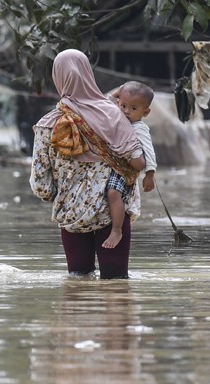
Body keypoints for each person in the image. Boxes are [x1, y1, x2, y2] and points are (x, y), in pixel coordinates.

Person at [30, 49, 145, 279]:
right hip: (113, 217)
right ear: (88, 73)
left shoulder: (47, 125)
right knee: (117, 287)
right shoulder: (116, 115)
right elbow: (136, 160)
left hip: (71, 216)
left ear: (58, 77)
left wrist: (65, 195)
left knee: (77, 286)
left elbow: (42, 185)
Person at [103, 81, 157, 249]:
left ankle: (117, 230)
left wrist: (150, 174)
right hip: (112, 163)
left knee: (113, 194)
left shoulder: (139, 127)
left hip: (124, 169)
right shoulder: (118, 116)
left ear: (145, 112)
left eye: (133, 108)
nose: (126, 111)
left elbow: (149, 151)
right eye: (123, 105)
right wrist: (118, 92)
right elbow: (107, 102)